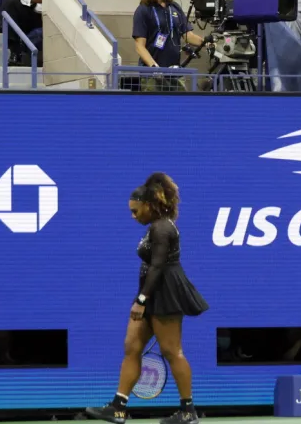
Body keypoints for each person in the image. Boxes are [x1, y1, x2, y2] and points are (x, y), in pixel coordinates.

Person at [85, 172, 208, 424]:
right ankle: (118, 408)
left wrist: (141, 300)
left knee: (172, 351)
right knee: (132, 347)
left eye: (135, 211)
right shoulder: (154, 226)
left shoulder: (162, 228)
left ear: (149, 206)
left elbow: (158, 266)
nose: (133, 216)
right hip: (150, 292)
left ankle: (188, 411)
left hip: (164, 293)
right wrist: (142, 298)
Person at [130, 0, 206, 88]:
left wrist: (206, 43)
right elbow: (139, 46)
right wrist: (154, 68)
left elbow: (188, 36)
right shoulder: (143, 10)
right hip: (152, 76)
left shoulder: (174, 7)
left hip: (175, 73)